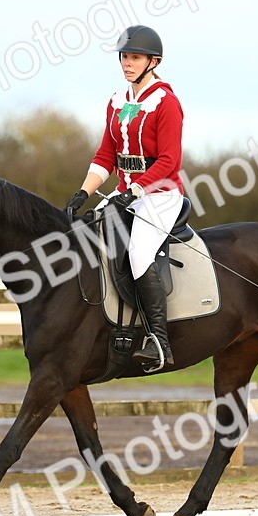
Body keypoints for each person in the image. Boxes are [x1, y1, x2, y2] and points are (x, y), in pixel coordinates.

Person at [65, 24, 185, 368]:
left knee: (138, 253)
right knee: (85, 238)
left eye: (135, 58)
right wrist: (83, 192)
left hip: (160, 195)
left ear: (153, 62)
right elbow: (106, 155)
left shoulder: (166, 103)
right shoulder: (117, 102)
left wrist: (135, 190)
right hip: (124, 194)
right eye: (124, 57)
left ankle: (159, 341)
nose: (127, 63)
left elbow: (169, 160)